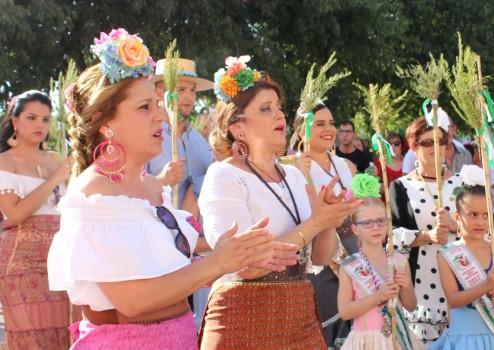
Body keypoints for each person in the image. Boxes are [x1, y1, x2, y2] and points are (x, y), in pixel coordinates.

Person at [47, 29, 298, 349]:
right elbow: (133, 301)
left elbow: (166, 276)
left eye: (156, 104)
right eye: (144, 107)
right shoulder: (97, 193)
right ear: (105, 123)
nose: (159, 116)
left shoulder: (151, 187)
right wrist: (217, 263)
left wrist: (239, 253)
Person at [198, 55, 361, 349]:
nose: (279, 116)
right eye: (265, 109)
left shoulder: (295, 177)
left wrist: (328, 221)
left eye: (279, 108)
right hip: (242, 317)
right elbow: (247, 265)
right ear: (237, 128)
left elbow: (321, 258)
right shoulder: (223, 175)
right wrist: (314, 223)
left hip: (300, 314)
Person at [0, 90, 74, 349]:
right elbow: (15, 213)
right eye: (32, 118)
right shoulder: (4, 163)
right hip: (22, 265)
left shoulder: (56, 158)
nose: (40, 125)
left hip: (61, 259)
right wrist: (54, 179)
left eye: (45, 119)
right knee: (32, 339)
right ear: (15, 120)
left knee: (66, 336)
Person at [388, 117, 463, 345]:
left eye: (440, 141)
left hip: (460, 277)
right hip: (420, 283)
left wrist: (456, 227)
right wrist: (427, 237)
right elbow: (391, 236)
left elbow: (485, 231)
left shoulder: (464, 184)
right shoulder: (400, 186)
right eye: (427, 143)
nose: (435, 147)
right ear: (413, 146)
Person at [290, 101, 357, 346]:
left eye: (331, 123)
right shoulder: (290, 166)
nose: (328, 129)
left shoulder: (343, 165)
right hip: (318, 260)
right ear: (301, 131)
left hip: (350, 253)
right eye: (319, 124)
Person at [432, 170, 494, 349]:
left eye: (486, 215)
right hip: (463, 340)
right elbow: (453, 300)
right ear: (457, 217)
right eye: (473, 214)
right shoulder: (447, 254)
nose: (480, 221)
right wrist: (484, 286)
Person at [338, 174, 422, 350]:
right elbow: (345, 311)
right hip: (365, 341)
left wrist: (405, 286)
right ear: (355, 229)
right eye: (367, 223)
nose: (376, 227)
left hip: (397, 337)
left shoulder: (398, 260)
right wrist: (378, 297)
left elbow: (411, 305)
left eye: (380, 221)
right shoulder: (349, 266)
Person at [147, 58, 214, 217]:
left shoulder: (202, 143)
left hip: (200, 240)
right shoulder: (145, 138)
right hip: (158, 235)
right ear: (159, 93)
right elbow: (128, 192)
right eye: (181, 89)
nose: (189, 97)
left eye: (193, 90)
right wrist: (161, 181)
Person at [402, 110, 473, 175]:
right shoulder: (413, 154)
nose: (445, 131)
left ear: (454, 129)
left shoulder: (465, 154)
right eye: (428, 142)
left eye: (447, 126)